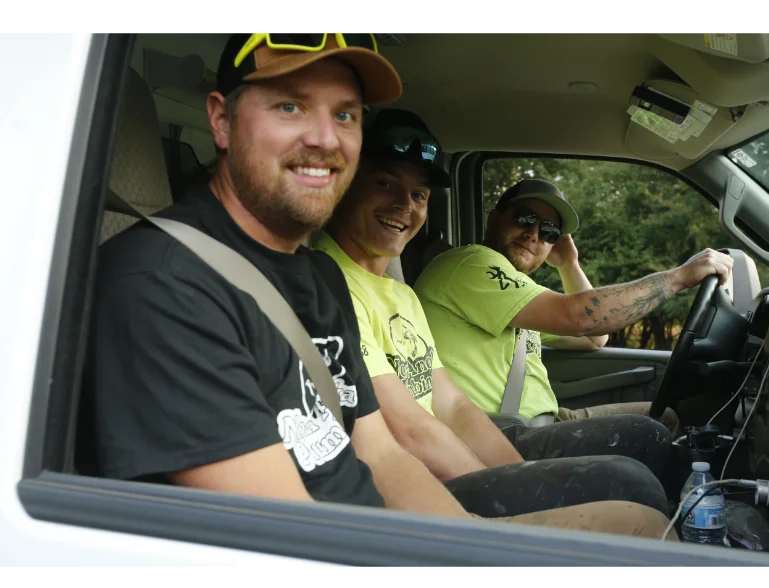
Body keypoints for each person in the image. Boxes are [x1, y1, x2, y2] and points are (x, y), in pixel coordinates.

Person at [75, 31, 677, 541]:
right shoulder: (163, 287)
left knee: (643, 521)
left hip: (383, 528)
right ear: (221, 120)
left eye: (345, 114)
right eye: (289, 106)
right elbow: (283, 540)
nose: (324, 137)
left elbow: (383, 453)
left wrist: (472, 534)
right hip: (335, 543)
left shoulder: (315, 279)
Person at [312, 107, 675, 519]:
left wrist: (518, 476)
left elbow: (452, 405)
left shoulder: (400, 295)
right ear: (345, 186)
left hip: (473, 442)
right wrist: (513, 493)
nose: (403, 205)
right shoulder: (332, 287)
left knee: (647, 452)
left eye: (419, 195)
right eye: (383, 183)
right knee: (636, 479)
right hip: (424, 476)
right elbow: (408, 430)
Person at [413, 176, 734, 455]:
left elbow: (595, 338)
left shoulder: (507, 295)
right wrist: (679, 277)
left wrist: (568, 264)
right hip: (501, 433)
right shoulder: (471, 265)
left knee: (665, 417)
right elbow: (581, 317)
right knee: (656, 430)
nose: (534, 234)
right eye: (525, 218)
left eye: (550, 231)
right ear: (494, 219)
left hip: (540, 424)